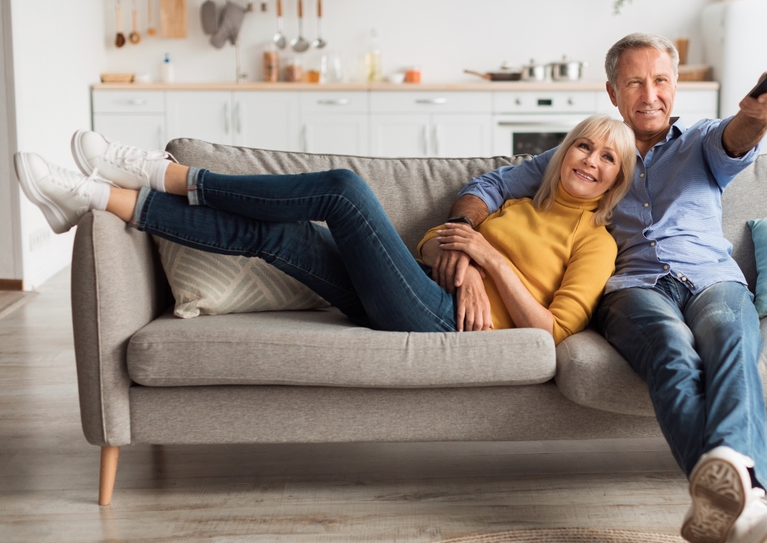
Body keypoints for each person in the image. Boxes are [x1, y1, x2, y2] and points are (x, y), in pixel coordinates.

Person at [433, 33, 767, 543]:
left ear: (675, 87)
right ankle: (751, 510)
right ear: (613, 91)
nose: (649, 94)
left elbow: (738, 135)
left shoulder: (701, 141)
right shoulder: (592, 154)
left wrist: (758, 114)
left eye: (660, 81)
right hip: (634, 289)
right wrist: (462, 231)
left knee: (731, 340)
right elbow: (489, 185)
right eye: (635, 82)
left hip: (710, 279)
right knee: (673, 354)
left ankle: (743, 510)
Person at [13, 115, 634, 342]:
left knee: (340, 191)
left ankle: (167, 173)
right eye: (584, 146)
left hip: (444, 320)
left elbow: (553, 329)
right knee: (279, 237)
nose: (590, 161)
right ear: (564, 153)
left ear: (615, 181)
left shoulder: (595, 240)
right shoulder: (519, 204)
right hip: (421, 288)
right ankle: (95, 198)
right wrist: (465, 258)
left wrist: (488, 261)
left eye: (607, 159)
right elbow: (427, 244)